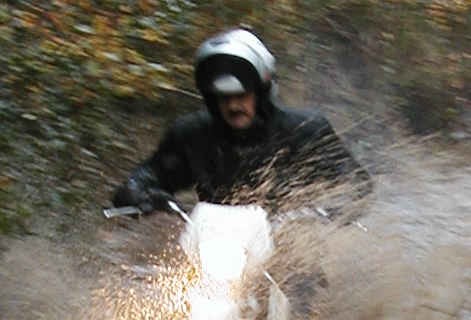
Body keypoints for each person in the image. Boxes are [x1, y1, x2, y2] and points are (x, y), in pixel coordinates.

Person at [110, 28, 371, 216]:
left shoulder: (305, 131)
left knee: (307, 278)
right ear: (212, 99)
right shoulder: (193, 135)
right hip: (214, 249)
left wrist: (325, 212)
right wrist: (135, 189)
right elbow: (154, 172)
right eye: (223, 98)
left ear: (261, 92)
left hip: (292, 250)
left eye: (241, 95)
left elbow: (356, 185)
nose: (233, 106)